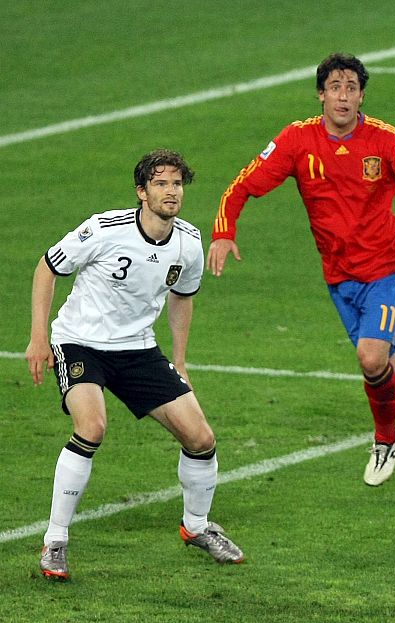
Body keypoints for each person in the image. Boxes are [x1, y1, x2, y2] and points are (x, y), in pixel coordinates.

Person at [206, 53, 395, 492]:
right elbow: (243, 183)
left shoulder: (385, 141)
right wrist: (224, 232)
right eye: (335, 87)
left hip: (388, 267)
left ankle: (384, 439)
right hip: (340, 278)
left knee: (370, 357)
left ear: (362, 95)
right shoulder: (296, 140)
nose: (343, 96)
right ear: (321, 94)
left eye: (351, 87)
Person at [26, 149, 244, 581]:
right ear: (142, 192)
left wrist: (179, 360)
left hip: (138, 350)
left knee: (201, 438)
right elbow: (48, 268)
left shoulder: (187, 241)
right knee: (92, 427)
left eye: (177, 184)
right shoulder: (105, 229)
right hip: (80, 342)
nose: (171, 191)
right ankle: (55, 541)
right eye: (161, 184)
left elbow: (182, 296)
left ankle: (197, 527)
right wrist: (38, 338)